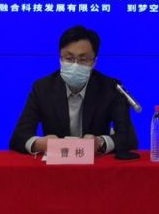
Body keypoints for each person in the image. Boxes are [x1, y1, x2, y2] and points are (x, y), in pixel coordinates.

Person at [10, 25, 138, 155]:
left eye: (83, 59)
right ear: (60, 58)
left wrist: (100, 142)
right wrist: (40, 144)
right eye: (69, 58)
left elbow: (129, 138)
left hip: (95, 163)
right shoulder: (42, 88)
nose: (75, 65)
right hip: (55, 163)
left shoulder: (110, 88)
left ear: (94, 62)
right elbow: (18, 137)